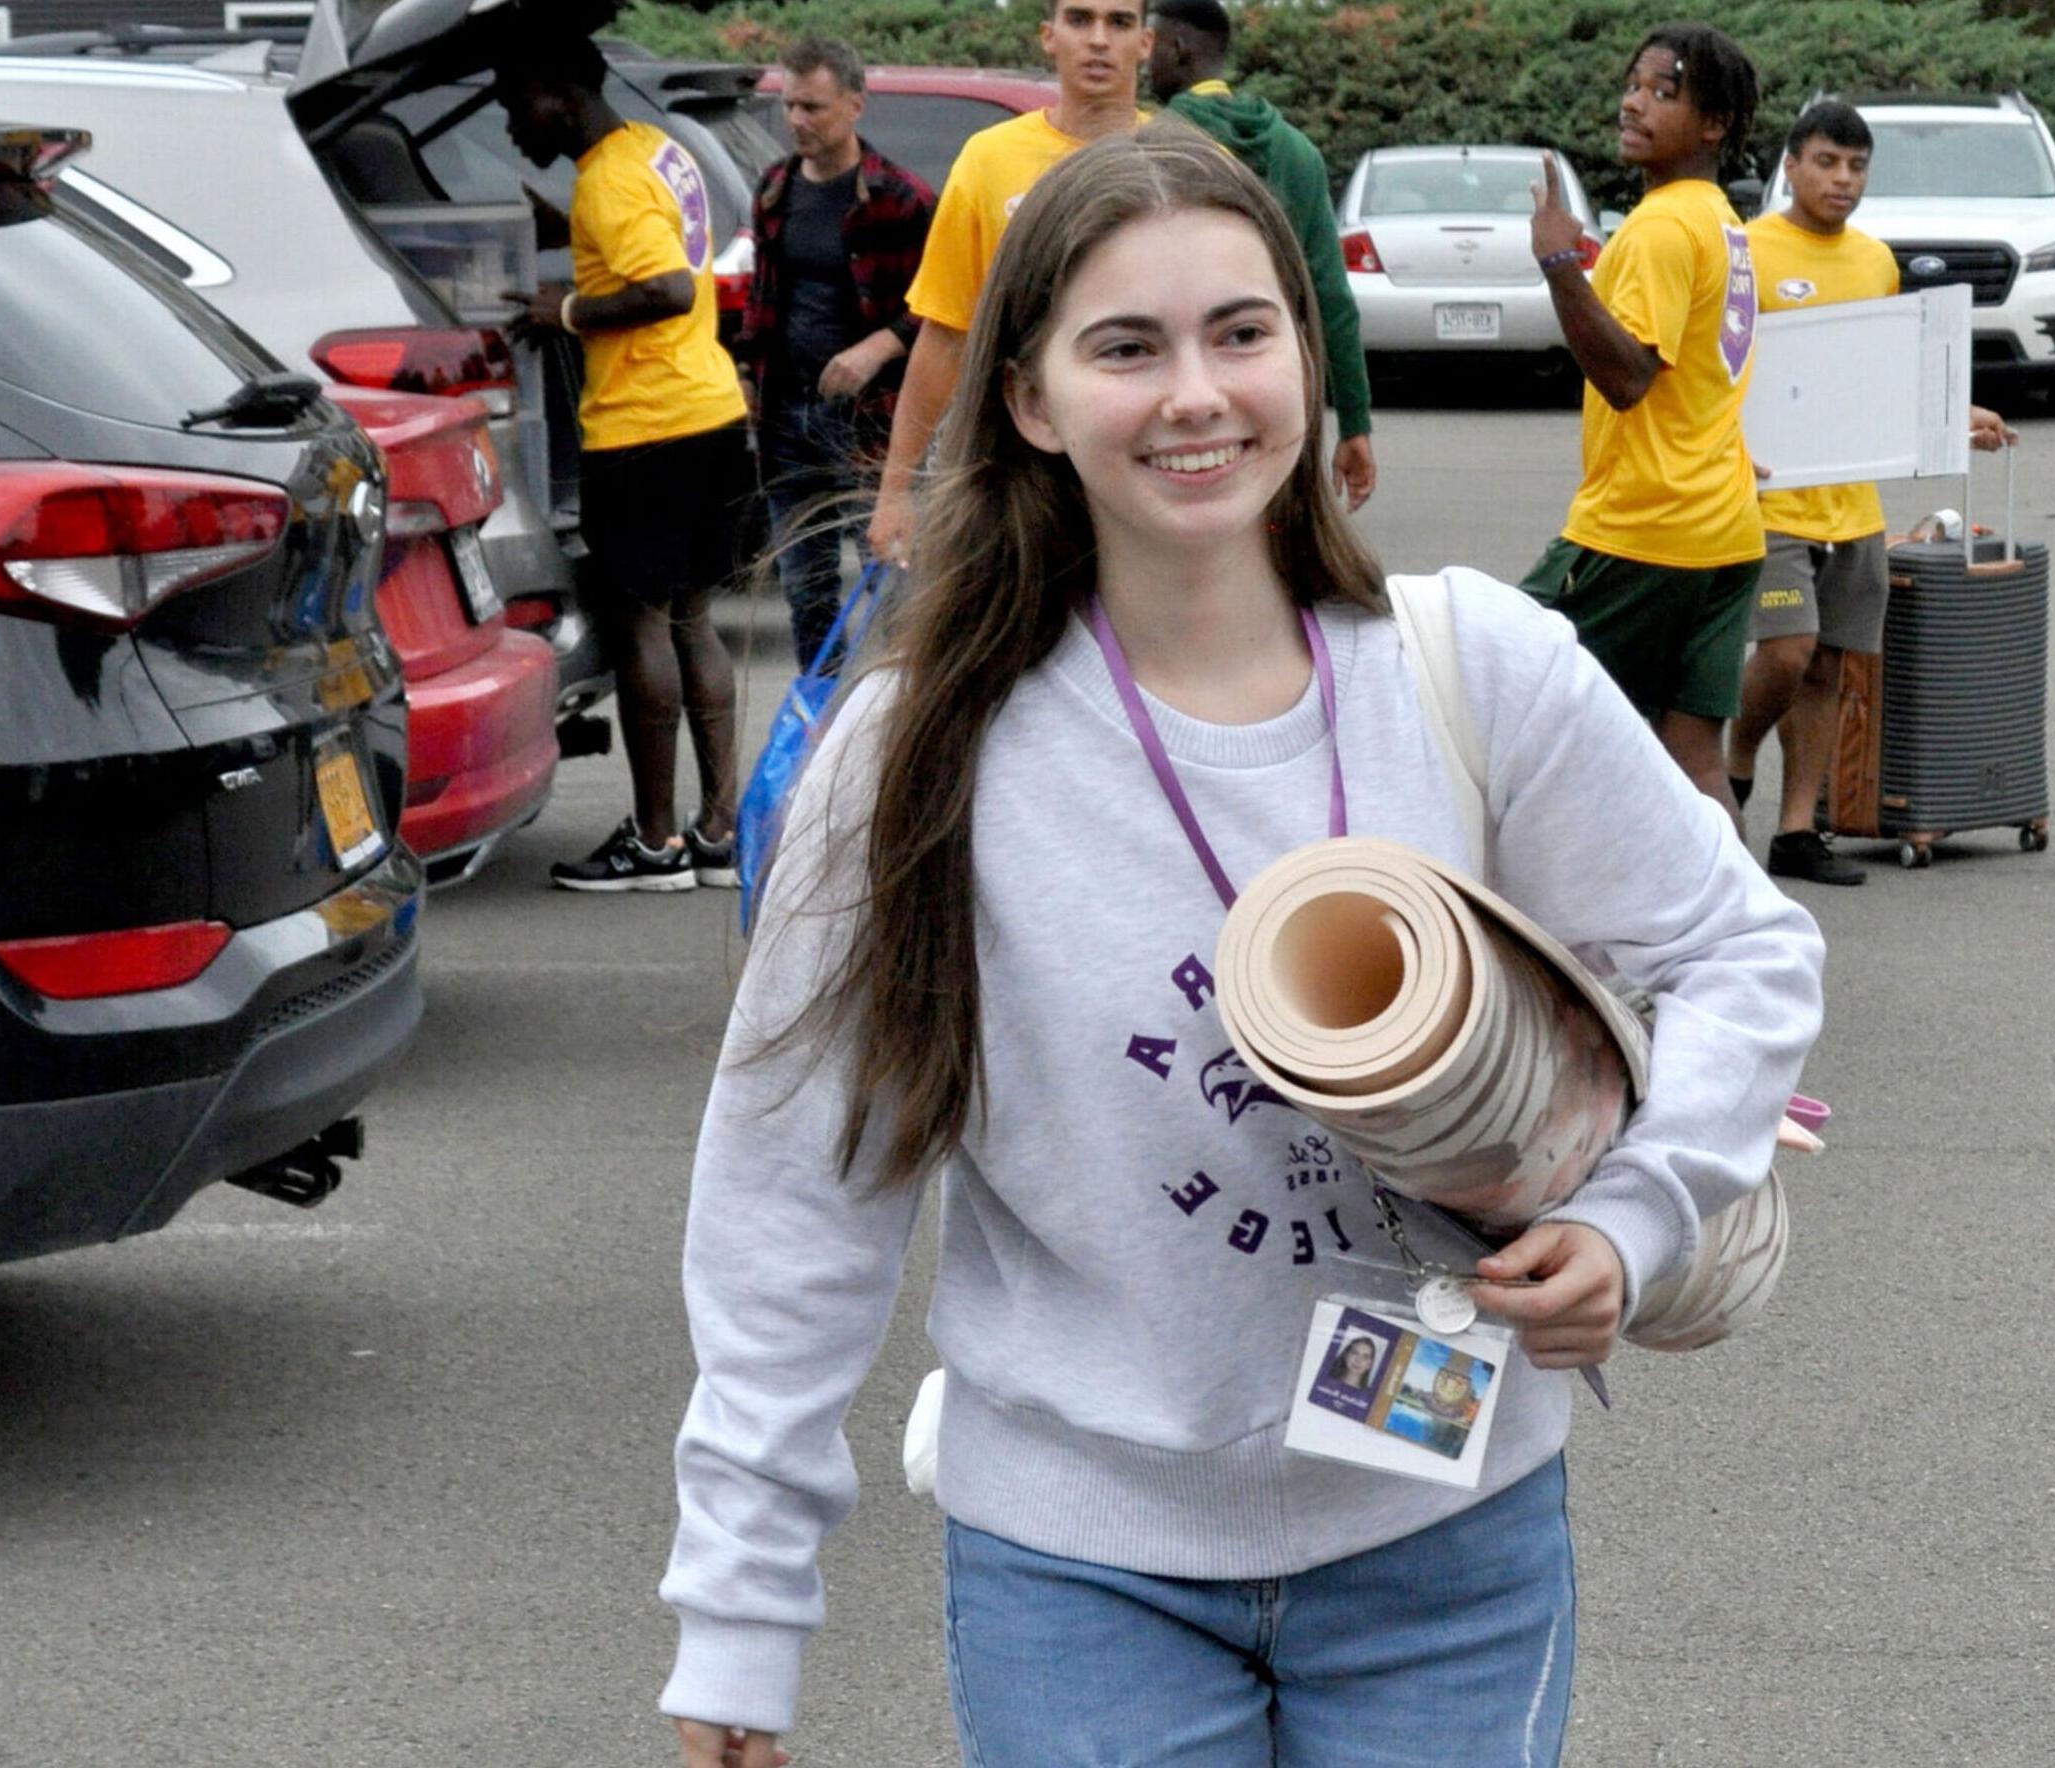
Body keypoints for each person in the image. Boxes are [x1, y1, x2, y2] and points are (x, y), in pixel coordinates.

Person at [659, 126, 1823, 1768]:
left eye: (1239, 332)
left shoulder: (1469, 669)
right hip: (1077, 1563)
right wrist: (738, 1610)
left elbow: (1741, 952)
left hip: (1446, 1543)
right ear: (1027, 397)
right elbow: (793, 1193)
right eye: (1123, 347)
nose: (1194, 394)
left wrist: (1634, 1215)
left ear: (1304, 353)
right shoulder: (912, 753)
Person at [1730, 99, 2018, 888]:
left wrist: (1958, 415)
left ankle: (1796, 832)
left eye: (1856, 167)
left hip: (1851, 505)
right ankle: (1737, 750)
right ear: (1790, 165)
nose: (1843, 180)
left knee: (1830, 668)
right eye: (1826, 162)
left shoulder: (1874, 260)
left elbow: (1888, 373)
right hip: (1770, 499)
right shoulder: (1745, 250)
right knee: (1785, 653)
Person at [499, 35, 750, 892]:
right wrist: (565, 229)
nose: (508, 123)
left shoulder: (605, 178)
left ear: (562, 96)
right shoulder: (654, 149)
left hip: (645, 429)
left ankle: (652, 845)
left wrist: (562, 308)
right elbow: (651, 248)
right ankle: (718, 834)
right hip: (710, 412)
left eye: (517, 101)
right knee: (692, 619)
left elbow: (665, 289)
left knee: (643, 625)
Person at [1519, 21, 1763, 820]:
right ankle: (1735, 938)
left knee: (1502, 696)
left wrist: (1560, 265)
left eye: (1664, 92)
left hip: (1642, 531)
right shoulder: (1719, 217)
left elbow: (1627, 376)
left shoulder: (1660, 227)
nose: (1634, 103)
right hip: (1726, 531)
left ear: (1715, 123)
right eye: (1633, 84)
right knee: (1695, 761)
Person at [865, 0, 1151, 564]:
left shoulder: (1186, 161)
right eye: (1079, 20)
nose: (1099, 39)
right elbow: (945, 336)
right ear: (1049, 36)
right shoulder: (987, 161)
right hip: (1018, 471)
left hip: (1143, 462)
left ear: (1145, 43)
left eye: (1119, 23)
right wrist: (896, 491)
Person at [735, 38, 937, 670]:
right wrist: (744, 371)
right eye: (790, 107)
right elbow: (762, 295)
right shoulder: (774, 187)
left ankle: (895, 717)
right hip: (787, 420)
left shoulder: (900, 198)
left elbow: (942, 306)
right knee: (807, 593)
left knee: (891, 587)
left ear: (854, 105)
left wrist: (879, 346)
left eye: (814, 108)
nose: (798, 121)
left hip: (870, 425)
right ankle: (817, 723)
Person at [1147, 0, 1375, 513]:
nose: (1146, 60)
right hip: (1277, 387)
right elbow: (1332, 299)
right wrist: (1355, 423)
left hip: (1183, 391)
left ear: (1179, 48)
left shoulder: (1155, 146)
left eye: (1152, 45)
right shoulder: (1296, 150)